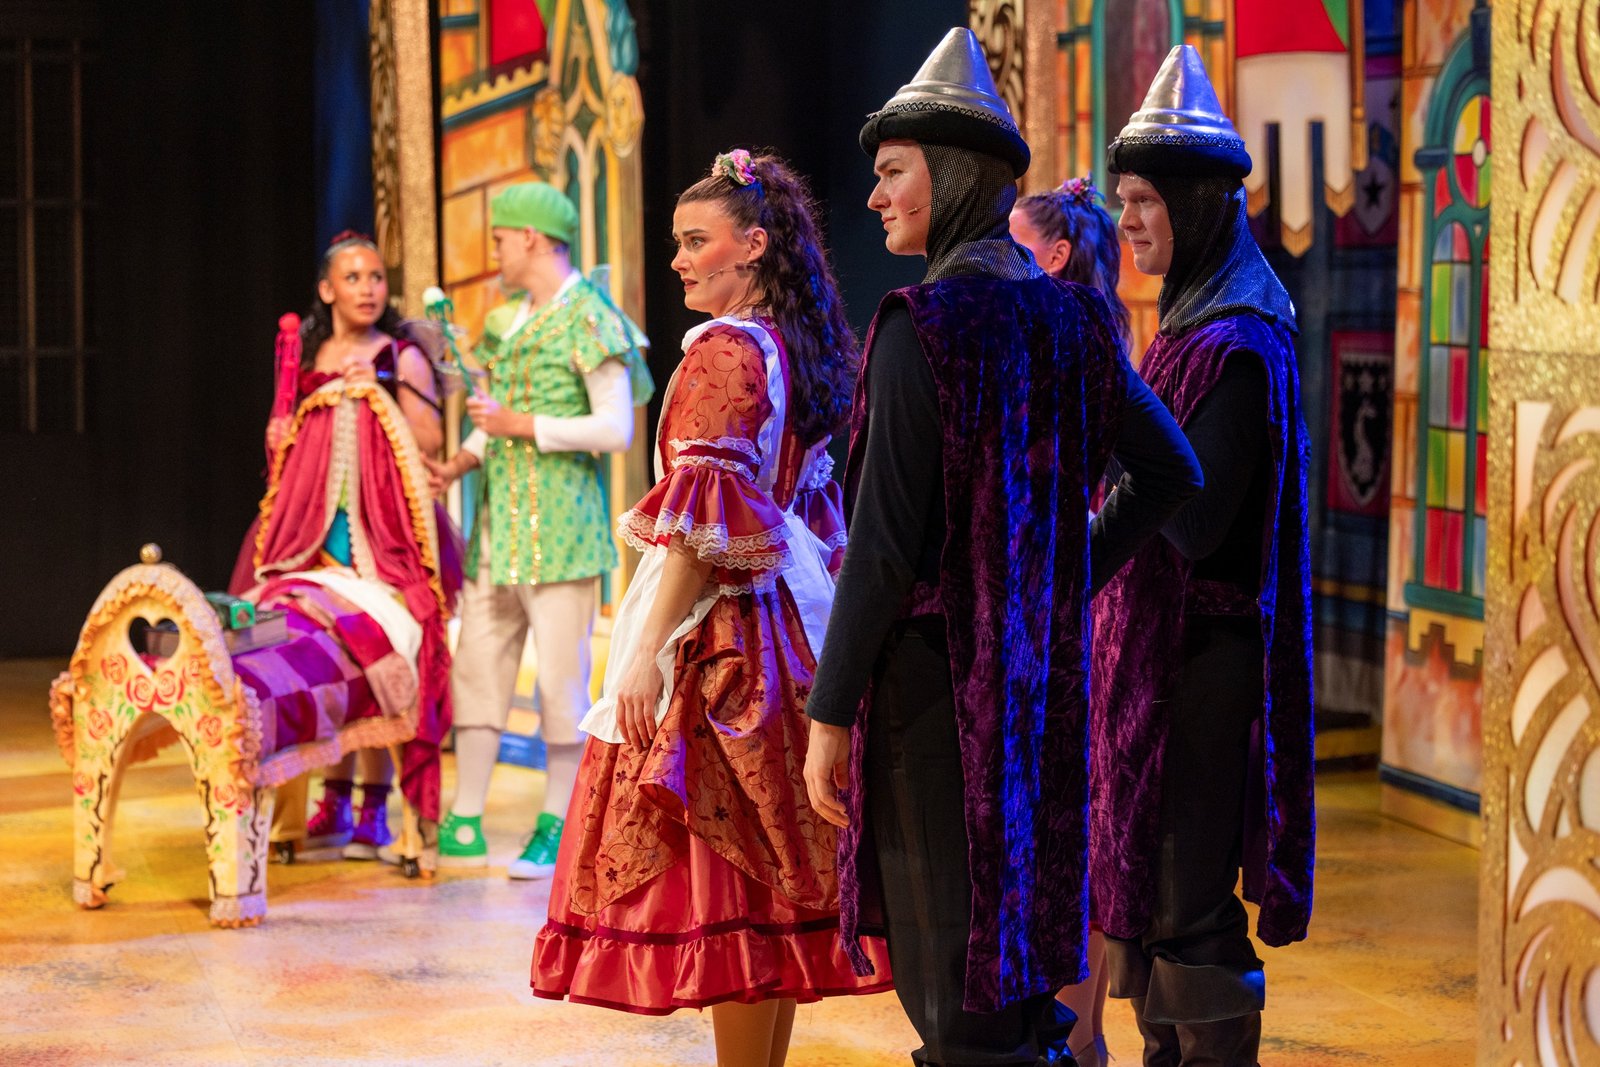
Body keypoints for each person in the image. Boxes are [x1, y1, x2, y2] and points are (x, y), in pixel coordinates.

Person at [801, 28, 1203, 1067]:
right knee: (1019, 969)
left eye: (894, 172)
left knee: (955, 990)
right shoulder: (1075, 318)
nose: (877, 196)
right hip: (1037, 688)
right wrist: (1056, 583)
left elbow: (881, 550)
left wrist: (828, 712)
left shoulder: (920, 324)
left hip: (935, 694)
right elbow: (1169, 469)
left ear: (949, 174)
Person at [531, 150, 892, 1066]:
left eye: (698, 241)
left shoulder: (726, 351)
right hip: (793, 627)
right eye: (678, 242)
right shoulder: (791, 344)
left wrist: (643, 651)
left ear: (755, 245)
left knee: (729, 880)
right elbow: (810, 512)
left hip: (729, 637)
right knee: (769, 889)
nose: (680, 260)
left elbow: (699, 530)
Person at [1094, 45, 1315, 1066]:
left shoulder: (1238, 342)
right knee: (1153, 901)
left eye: (1146, 201)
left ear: (1197, 203)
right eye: (1123, 201)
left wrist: (1107, 408)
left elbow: (1197, 519)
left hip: (1201, 671)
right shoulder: (1188, 326)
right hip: (1160, 664)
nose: (1130, 221)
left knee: (1188, 906)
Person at [425, 181, 653, 879]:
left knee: (560, 681)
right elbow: (494, 415)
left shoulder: (591, 316)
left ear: (530, 237)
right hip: (500, 527)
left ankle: (559, 820)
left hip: (561, 531)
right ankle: (465, 813)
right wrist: (460, 463)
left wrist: (520, 425)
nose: (494, 250)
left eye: (499, 238)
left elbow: (614, 428)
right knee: (478, 665)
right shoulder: (510, 320)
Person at [235, 230, 460, 866]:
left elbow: (430, 439)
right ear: (327, 289)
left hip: (383, 530)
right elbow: (290, 443)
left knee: (377, 652)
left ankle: (373, 809)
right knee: (315, 651)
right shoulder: (309, 354)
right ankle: (329, 802)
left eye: (376, 278)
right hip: (313, 531)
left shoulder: (399, 355)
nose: (368, 289)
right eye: (353, 278)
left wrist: (380, 392)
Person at [1008, 174, 1127, 1067]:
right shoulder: (1049, 334)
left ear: (1052, 257)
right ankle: (1075, 1033)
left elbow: (1150, 473)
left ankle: (1081, 1036)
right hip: (1051, 607)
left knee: (1078, 829)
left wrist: (1075, 556)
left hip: (1076, 612)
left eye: (1012, 244)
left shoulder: (1075, 342)